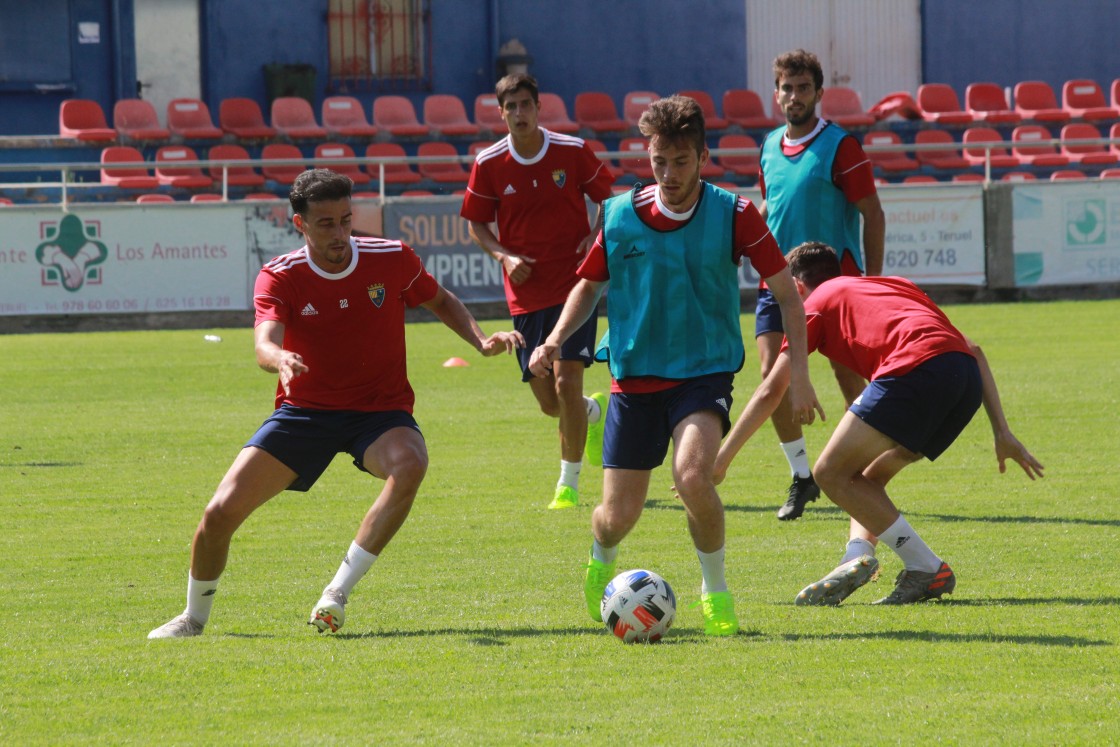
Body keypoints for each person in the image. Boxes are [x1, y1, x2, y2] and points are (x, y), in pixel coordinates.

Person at [148, 169, 523, 639]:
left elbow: (441, 301)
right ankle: (193, 619)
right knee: (218, 514)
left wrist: (480, 339)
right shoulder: (280, 275)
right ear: (299, 224)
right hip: (305, 412)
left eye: (346, 220)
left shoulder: (391, 258)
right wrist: (278, 358)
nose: (340, 233)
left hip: (378, 412)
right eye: (326, 223)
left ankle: (336, 593)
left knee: (410, 464)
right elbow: (264, 342)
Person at [528, 95, 817, 636]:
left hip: (703, 375)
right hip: (634, 380)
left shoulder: (735, 214)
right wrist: (553, 341)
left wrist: (797, 374)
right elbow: (588, 288)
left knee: (691, 476)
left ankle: (716, 592)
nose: (669, 173)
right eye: (659, 161)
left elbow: (788, 294)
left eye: (681, 162)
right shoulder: (617, 216)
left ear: (703, 157)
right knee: (617, 518)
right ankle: (600, 559)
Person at [714, 241, 1044, 606]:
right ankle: (855, 556)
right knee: (866, 479)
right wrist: (1002, 431)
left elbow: (769, 392)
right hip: (961, 378)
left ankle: (925, 567)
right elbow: (975, 350)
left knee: (829, 472)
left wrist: (721, 460)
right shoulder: (893, 284)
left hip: (912, 371)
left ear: (797, 287)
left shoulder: (813, 305)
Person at [461, 73, 617, 510]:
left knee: (568, 379)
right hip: (526, 293)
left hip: (575, 287)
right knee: (550, 401)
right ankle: (591, 413)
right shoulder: (489, 162)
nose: (518, 113)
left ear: (538, 107)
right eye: (509, 107)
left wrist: (595, 235)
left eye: (525, 104)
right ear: (500, 112)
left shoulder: (571, 151)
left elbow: (608, 198)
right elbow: (476, 224)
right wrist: (504, 257)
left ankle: (567, 484)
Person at [757, 48, 886, 521]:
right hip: (778, 282)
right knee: (772, 378)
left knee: (848, 374)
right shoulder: (769, 146)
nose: (794, 96)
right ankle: (801, 476)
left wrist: (873, 279)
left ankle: (869, 469)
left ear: (818, 93)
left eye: (803, 87)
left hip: (835, 285)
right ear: (776, 94)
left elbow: (873, 212)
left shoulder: (841, 146)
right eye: (787, 88)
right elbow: (770, 208)